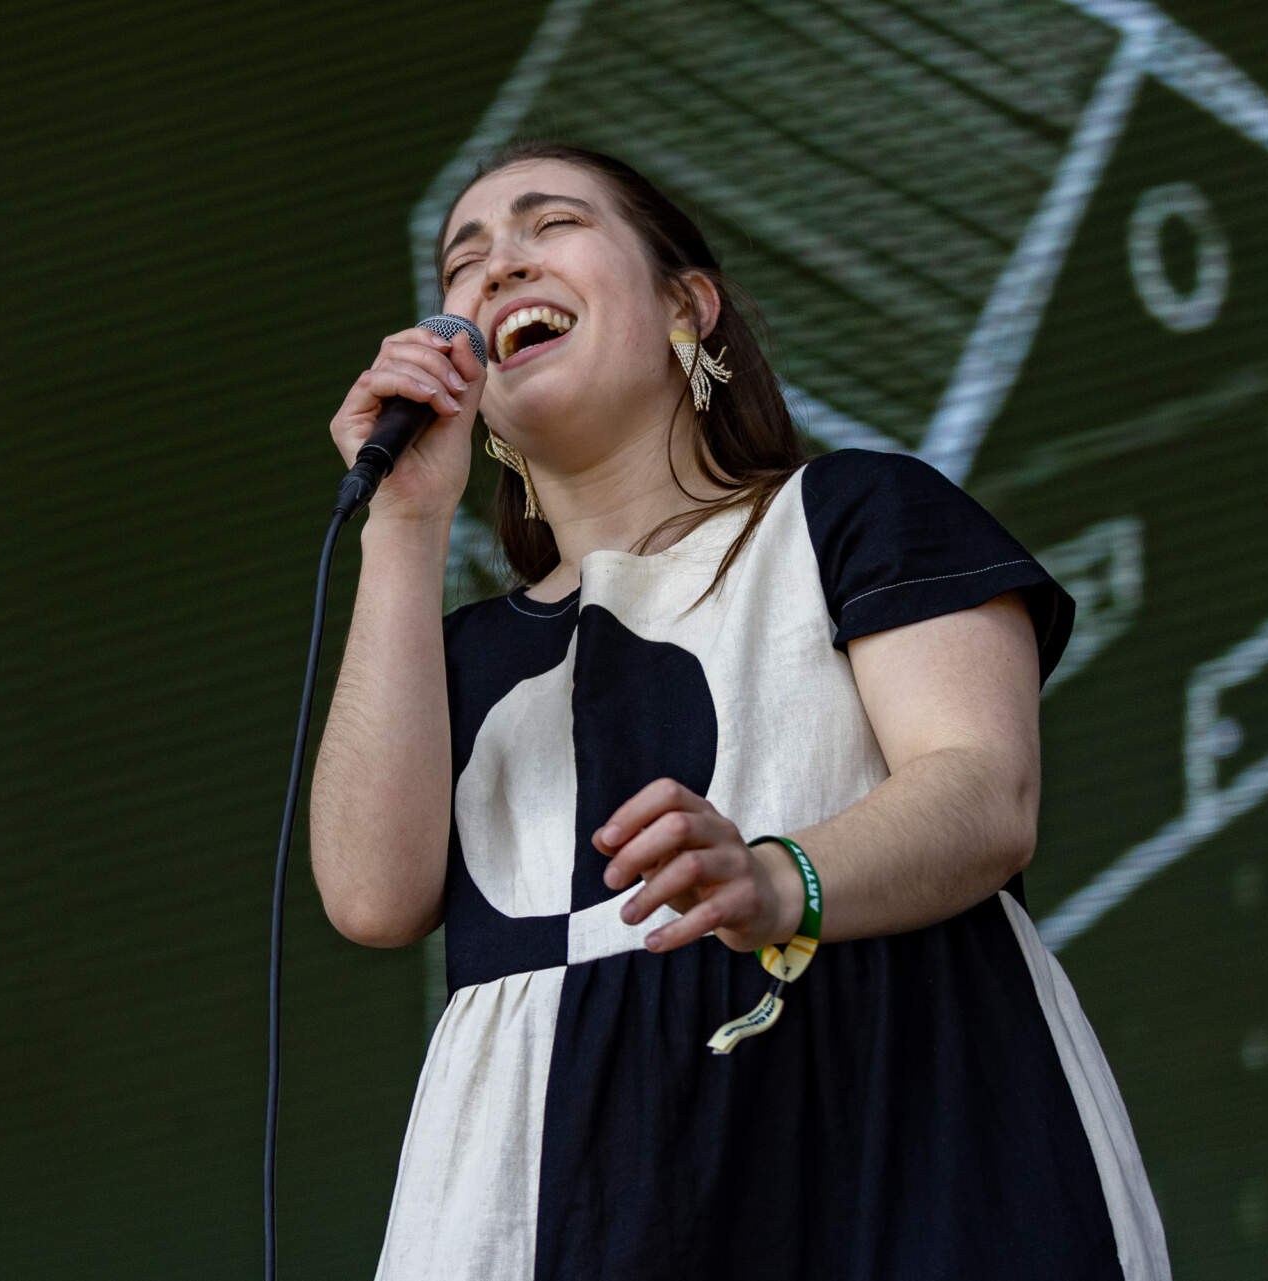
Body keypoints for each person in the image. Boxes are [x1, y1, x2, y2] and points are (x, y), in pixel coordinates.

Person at [310, 142, 1171, 1281]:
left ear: (689, 306)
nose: (496, 271)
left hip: (888, 1140)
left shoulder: (855, 516)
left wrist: (777, 881)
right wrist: (406, 524)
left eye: (548, 226)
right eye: (463, 264)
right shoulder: (458, 653)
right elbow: (372, 896)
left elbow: (983, 788)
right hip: (551, 1193)